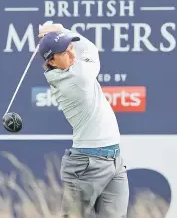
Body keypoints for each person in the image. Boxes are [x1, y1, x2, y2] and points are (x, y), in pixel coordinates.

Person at [37, 22, 129, 218]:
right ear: (52, 61)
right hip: (87, 164)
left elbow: (79, 48)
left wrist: (61, 35)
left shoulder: (67, 68)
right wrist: (62, 29)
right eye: (64, 52)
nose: (71, 54)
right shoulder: (78, 77)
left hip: (114, 160)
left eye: (70, 47)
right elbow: (91, 50)